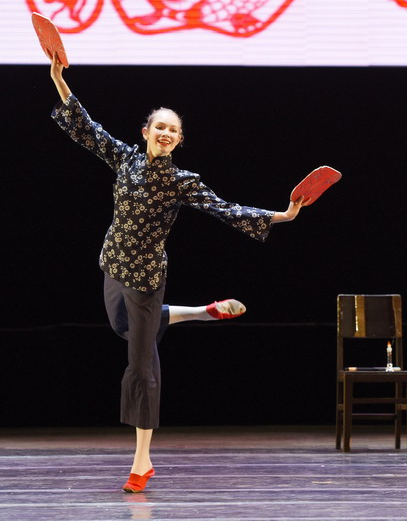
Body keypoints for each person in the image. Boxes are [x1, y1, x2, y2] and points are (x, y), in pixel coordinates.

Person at [48, 56, 307, 493]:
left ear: (178, 140)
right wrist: (57, 78)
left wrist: (281, 215)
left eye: (173, 129)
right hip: (113, 264)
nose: (165, 133)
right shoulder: (125, 158)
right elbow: (86, 129)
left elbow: (223, 208)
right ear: (146, 132)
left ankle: (141, 461)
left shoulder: (181, 181)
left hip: (147, 279)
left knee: (140, 364)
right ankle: (201, 312)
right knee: (121, 328)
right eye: (159, 126)